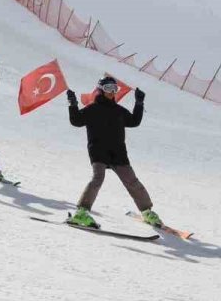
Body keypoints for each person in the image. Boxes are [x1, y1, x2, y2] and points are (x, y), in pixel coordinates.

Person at [66, 75, 160, 229]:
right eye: (108, 88)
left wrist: (139, 103)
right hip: (99, 150)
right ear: (101, 90)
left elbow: (134, 121)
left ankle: (147, 212)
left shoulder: (118, 111)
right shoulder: (92, 109)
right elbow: (76, 120)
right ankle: (81, 212)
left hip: (118, 153)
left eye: (114, 89)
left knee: (132, 181)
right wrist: (72, 103)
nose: (112, 92)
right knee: (98, 178)